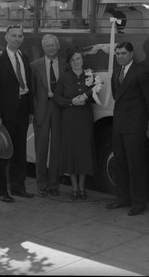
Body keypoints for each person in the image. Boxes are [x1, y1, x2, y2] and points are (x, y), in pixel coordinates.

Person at [106, 42, 149, 216]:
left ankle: (139, 202)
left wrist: (139, 121)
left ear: (131, 54)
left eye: (123, 53)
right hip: (119, 125)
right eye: (117, 53)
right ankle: (122, 198)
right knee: (120, 164)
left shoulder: (141, 73)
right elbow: (115, 95)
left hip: (134, 127)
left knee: (136, 165)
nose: (120, 56)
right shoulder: (116, 72)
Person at [0, 24, 34, 202]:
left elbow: (28, 86)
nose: (17, 39)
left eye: (20, 36)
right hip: (5, 113)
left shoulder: (24, 56)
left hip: (22, 110)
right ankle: (1, 191)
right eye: (13, 35)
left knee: (20, 151)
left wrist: (30, 110)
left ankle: (18, 187)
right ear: (6, 37)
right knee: (2, 151)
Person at [53, 48, 96, 201]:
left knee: (84, 151)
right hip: (69, 118)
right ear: (69, 63)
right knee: (71, 151)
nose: (76, 62)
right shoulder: (64, 78)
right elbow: (57, 98)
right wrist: (71, 102)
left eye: (78, 59)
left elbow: (95, 99)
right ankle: (74, 187)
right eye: (73, 60)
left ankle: (83, 186)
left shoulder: (90, 75)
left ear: (82, 60)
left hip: (85, 117)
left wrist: (94, 90)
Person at [30, 34, 62, 197]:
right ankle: (41, 185)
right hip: (41, 111)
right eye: (48, 45)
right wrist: (32, 112)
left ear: (58, 46)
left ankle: (53, 185)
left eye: (53, 45)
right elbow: (32, 92)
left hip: (59, 110)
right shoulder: (35, 66)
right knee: (41, 150)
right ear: (43, 48)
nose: (51, 48)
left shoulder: (65, 65)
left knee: (56, 149)